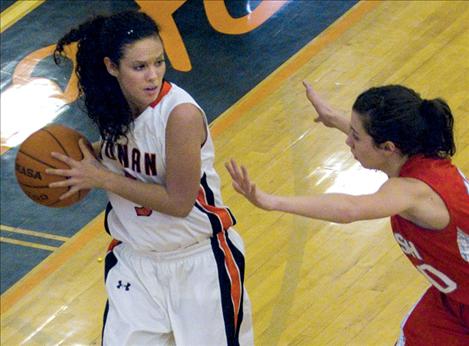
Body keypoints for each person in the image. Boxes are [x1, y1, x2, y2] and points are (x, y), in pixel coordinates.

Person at [50, 10, 253, 346]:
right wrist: (83, 154)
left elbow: (179, 202)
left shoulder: (180, 114)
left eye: (159, 62)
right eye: (140, 67)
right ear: (111, 67)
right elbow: (126, 150)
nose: (153, 75)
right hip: (136, 262)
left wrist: (101, 178)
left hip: (198, 262)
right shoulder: (113, 105)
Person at [226, 81, 469, 345]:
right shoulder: (417, 155)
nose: (347, 140)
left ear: (388, 147)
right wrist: (333, 118)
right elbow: (374, 145)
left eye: (355, 135)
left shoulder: (412, 191)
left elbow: (349, 209)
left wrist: (271, 201)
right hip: (456, 299)